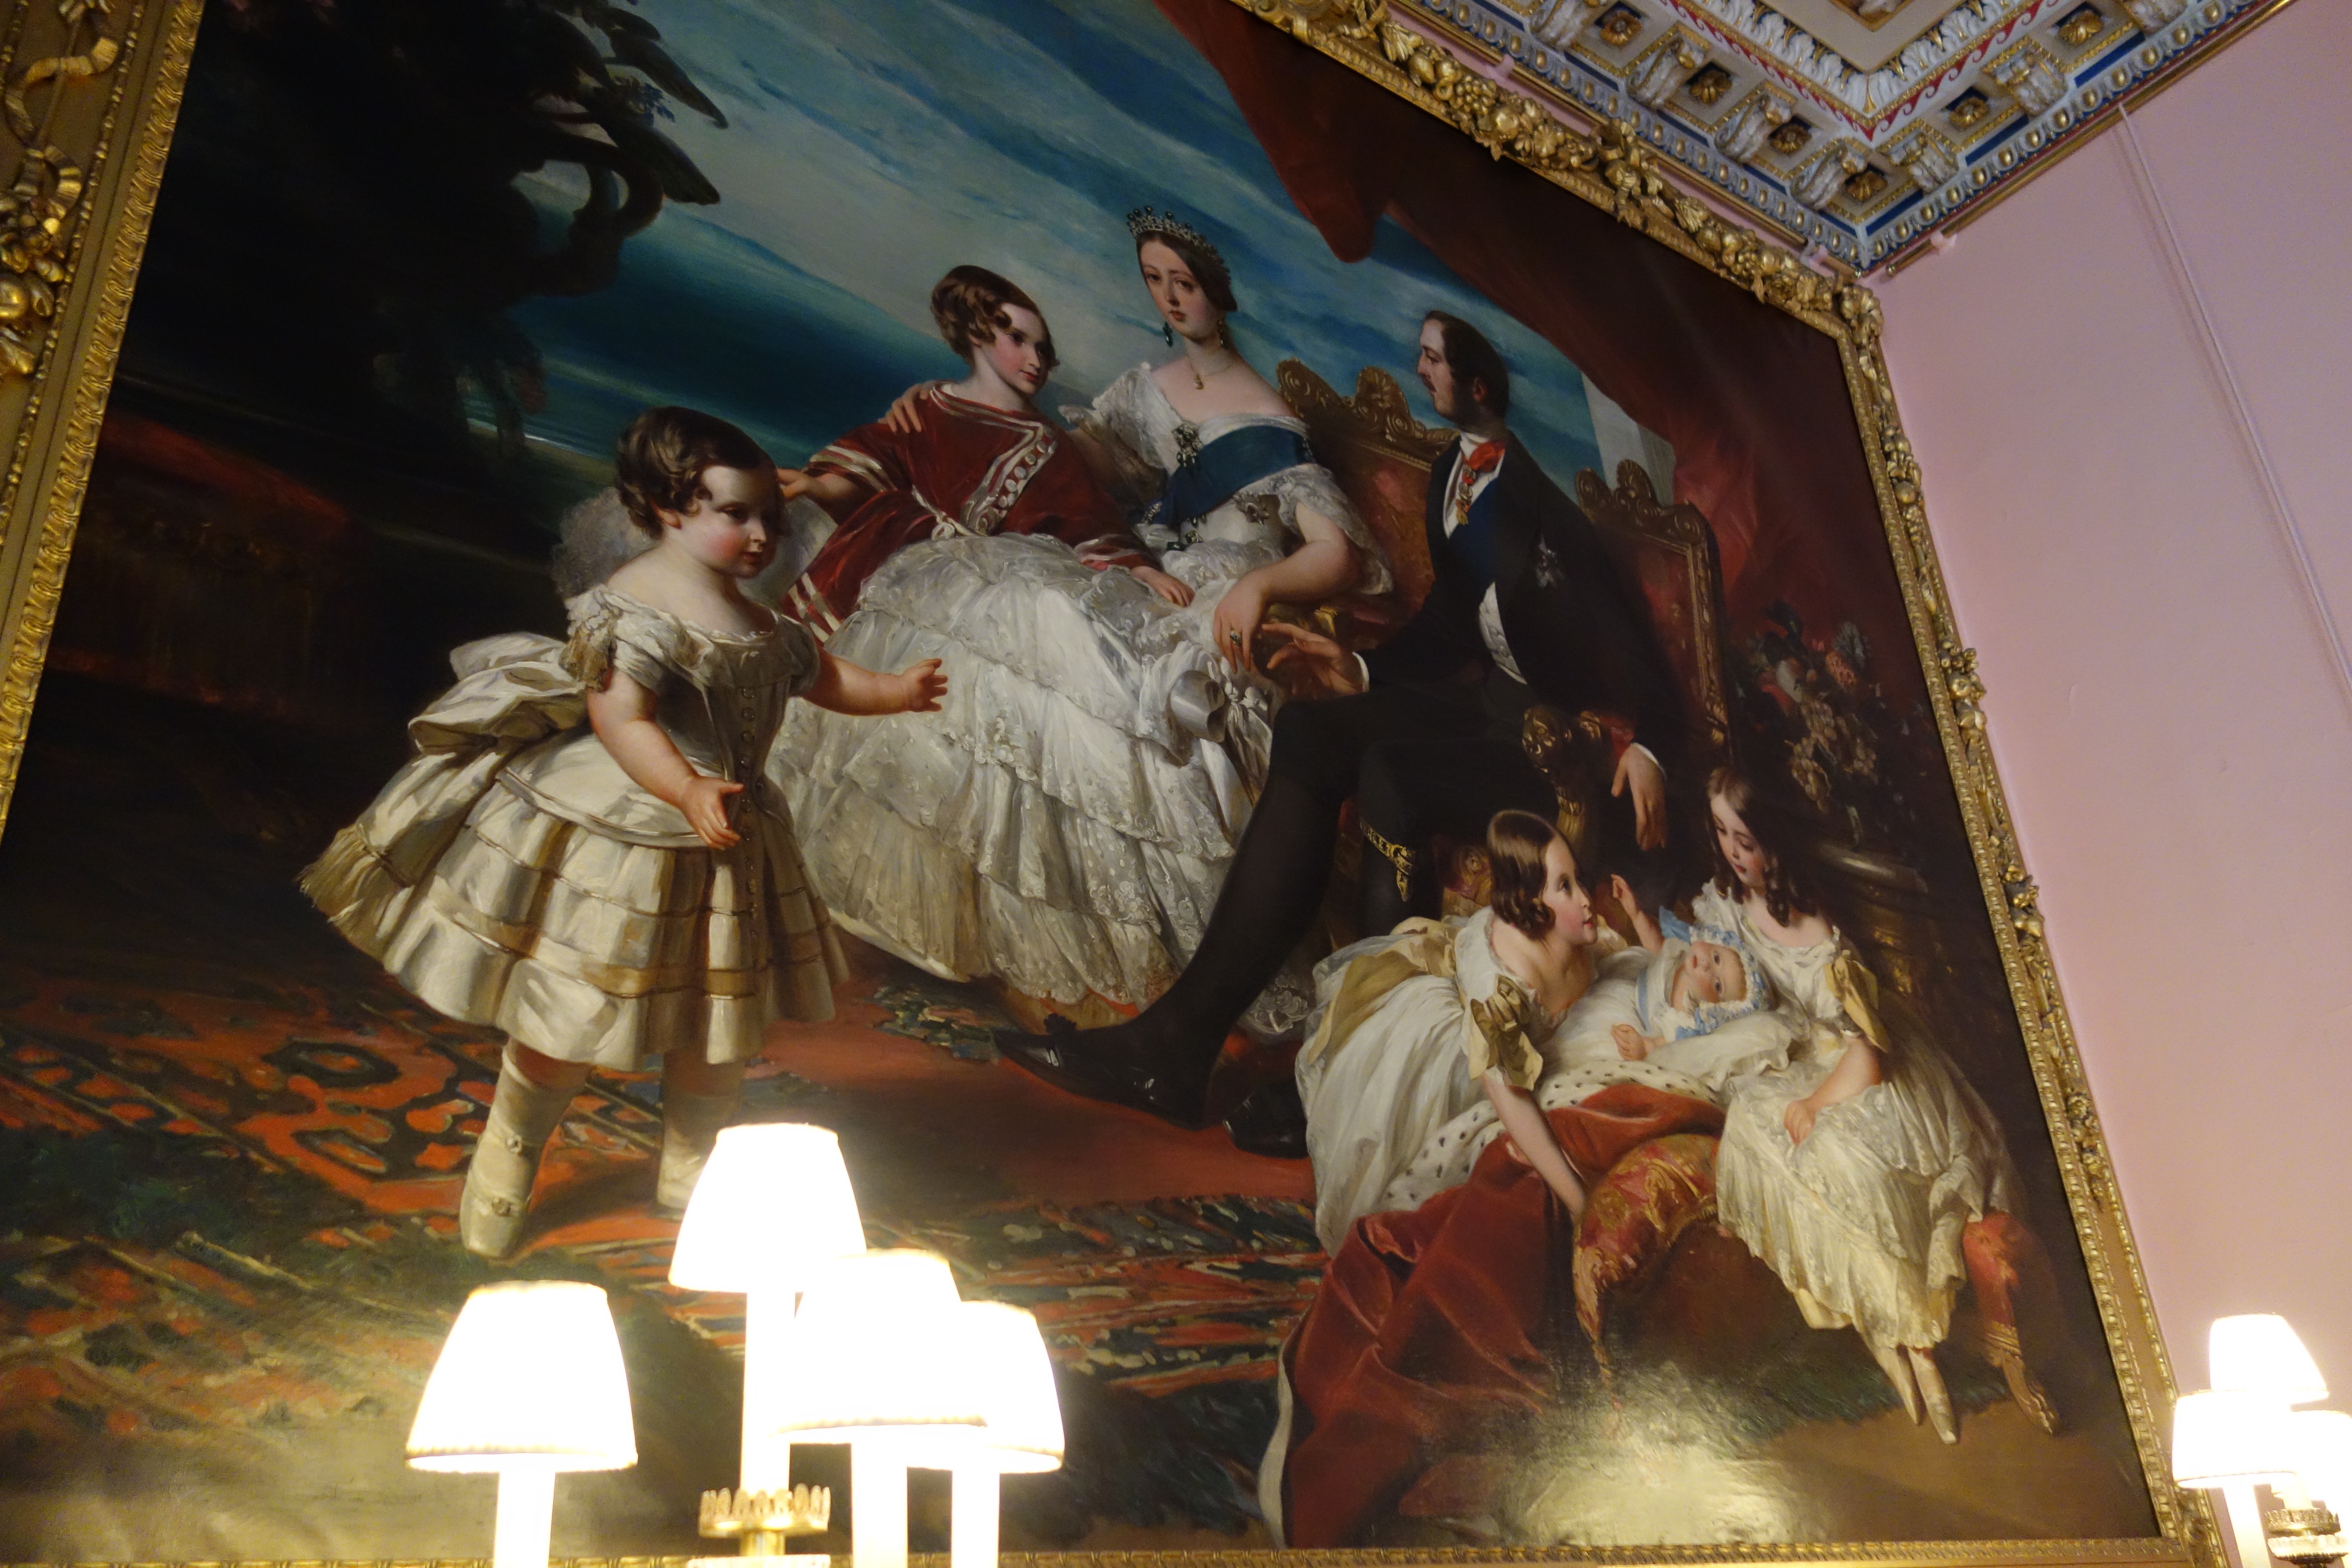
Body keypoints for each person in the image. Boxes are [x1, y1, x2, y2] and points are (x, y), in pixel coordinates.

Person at [998, 309, 1684, 1130]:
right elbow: (1448, 623)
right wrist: (1357, 668)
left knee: (1393, 775)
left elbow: (1633, 650)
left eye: (1433, 359)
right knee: (1310, 732)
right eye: (1420, 354)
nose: (1420, 369)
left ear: (1477, 383)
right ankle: (1176, 1047)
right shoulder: (1451, 473)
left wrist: (1648, 746)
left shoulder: (1547, 509)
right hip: (1483, 703)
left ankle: (1350, 1075)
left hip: (1545, 742)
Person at [301, 407, 948, 1259]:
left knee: (717, 1021)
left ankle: (690, 1163)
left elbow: (819, 674)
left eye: (770, 516)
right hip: (629, 835)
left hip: (727, 837)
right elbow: (622, 717)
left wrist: (896, 692)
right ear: (670, 509)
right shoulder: (638, 609)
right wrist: (684, 786)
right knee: (568, 1014)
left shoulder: (760, 621)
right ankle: (511, 1149)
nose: (762, 535)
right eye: (737, 514)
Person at [773, 223, 1387, 1038]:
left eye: (1184, 281)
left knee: (1100, 656)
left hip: (1218, 582)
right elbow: (1064, 481)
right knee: (1019, 626)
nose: (1170, 298)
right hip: (1127, 562)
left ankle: (1144, 959)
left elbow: (1335, 553)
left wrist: (1259, 585)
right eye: (1154, 280)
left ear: (1217, 290)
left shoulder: (1270, 420)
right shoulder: (1141, 391)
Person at [1697, 760, 2016, 1443]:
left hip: (1867, 1066)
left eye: (1745, 840)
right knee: (1754, 1124)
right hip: (1806, 1054)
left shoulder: (1820, 937)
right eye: (1722, 834)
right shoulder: (1731, 903)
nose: (1732, 853)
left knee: (1846, 1163)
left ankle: (1918, 1348)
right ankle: (1881, 1337)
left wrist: (1815, 1104)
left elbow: (1868, 1057)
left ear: (1775, 841)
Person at [772, 265, 1162, 637]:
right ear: (977, 332)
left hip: (975, 593)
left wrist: (1140, 569)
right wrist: (821, 488)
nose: (1036, 361)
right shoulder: (930, 406)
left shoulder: (1047, 443)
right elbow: (879, 463)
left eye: (1042, 349)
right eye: (1018, 340)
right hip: (885, 560)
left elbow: (1091, 522)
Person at [1295, 810, 1611, 1252]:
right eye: (1565, 887)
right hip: (1465, 1058)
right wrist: (1578, 1201)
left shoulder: (1572, 933)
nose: (1586, 899)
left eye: (1578, 880)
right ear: (1530, 901)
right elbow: (1512, 1099)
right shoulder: (1504, 990)